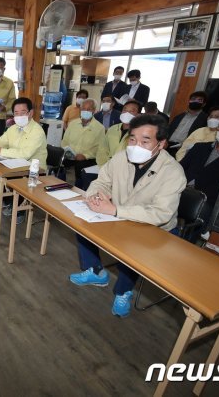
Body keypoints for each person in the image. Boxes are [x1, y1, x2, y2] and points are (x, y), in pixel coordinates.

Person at [69, 114, 186, 318]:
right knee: (83, 224)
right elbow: (101, 180)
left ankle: (123, 291)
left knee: (132, 251)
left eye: (145, 141)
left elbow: (160, 214)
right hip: (119, 215)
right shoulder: (123, 156)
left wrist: (114, 210)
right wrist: (96, 195)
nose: (135, 145)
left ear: (162, 144)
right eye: (132, 139)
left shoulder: (173, 172)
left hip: (156, 227)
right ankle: (96, 271)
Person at [0, 97, 47, 225]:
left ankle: (19, 210)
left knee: (11, 183)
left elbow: (25, 155)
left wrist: (0, 151)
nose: (19, 116)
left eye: (23, 112)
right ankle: (12, 203)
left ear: (30, 113)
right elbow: (1, 140)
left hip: (33, 171)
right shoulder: (13, 128)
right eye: (16, 113)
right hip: (15, 166)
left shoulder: (37, 131)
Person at [60, 98, 105, 184]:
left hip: (87, 159)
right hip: (70, 155)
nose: (85, 111)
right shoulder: (73, 123)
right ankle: (60, 184)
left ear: (94, 110)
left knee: (80, 166)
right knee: (61, 162)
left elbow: (99, 148)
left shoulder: (99, 128)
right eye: (83, 109)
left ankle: (78, 187)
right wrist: (66, 150)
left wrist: (85, 156)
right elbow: (65, 140)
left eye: (89, 109)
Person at [168, 91, 209, 155]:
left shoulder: (206, 119)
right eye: (193, 99)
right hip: (168, 146)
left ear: (204, 104)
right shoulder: (179, 116)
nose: (195, 101)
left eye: (199, 100)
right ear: (189, 101)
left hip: (184, 150)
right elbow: (169, 130)